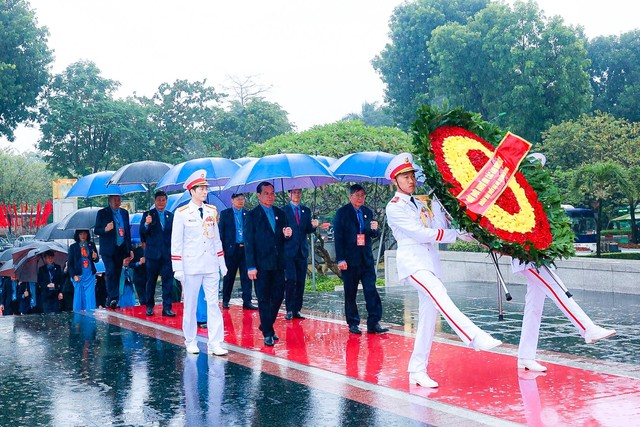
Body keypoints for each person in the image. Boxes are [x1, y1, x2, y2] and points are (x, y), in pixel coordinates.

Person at [384, 153, 502, 388]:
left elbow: (436, 228)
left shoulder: (419, 202)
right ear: (394, 181)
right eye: (405, 176)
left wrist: (439, 203)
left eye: (412, 175)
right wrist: (456, 234)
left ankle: (417, 370)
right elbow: (420, 234)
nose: (410, 180)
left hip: (429, 263)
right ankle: (473, 336)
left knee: (428, 318)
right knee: (440, 294)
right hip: (413, 263)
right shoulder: (394, 207)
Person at [511, 154, 616, 372]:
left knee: (534, 309)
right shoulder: (519, 195)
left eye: (541, 168)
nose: (539, 172)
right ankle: (587, 328)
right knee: (559, 291)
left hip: (540, 257)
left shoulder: (539, 195)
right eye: (535, 169)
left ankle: (525, 357)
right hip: (529, 258)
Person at [171, 169, 228, 356]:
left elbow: (216, 239)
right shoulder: (181, 213)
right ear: (191, 191)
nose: (205, 191)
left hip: (210, 264)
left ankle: (215, 342)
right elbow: (176, 243)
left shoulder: (212, 211)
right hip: (191, 266)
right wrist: (177, 268)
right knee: (191, 305)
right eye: (201, 188)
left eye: (205, 188)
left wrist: (222, 263)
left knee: (213, 304)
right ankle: (190, 340)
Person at [333, 184, 388, 335]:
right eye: (357, 195)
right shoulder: (342, 213)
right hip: (349, 261)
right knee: (350, 292)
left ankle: (374, 322)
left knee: (371, 290)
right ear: (350, 197)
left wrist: (375, 229)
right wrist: (340, 259)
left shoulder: (367, 212)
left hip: (366, 259)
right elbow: (338, 238)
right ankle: (353, 322)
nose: (360, 198)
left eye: (363, 195)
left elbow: (372, 234)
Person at [244, 181, 292, 346]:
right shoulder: (251, 215)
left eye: (272, 193)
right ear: (258, 195)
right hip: (260, 263)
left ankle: (265, 324)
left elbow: (284, 238)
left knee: (279, 296)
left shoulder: (281, 213)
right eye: (266, 193)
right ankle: (268, 333)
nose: (270, 196)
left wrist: (287, 234)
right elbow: (249, 242)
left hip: (278, 263)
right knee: (263, 298)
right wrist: (251, 266)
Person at [282, 188, 318, 320]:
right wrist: (284, 234)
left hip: (302, 251)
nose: (296, 195)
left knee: (301, 281)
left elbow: (307, 229)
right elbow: (279, 230)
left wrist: (313, 226)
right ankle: (290, 309)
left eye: (299, 192)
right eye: (294, 192)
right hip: (289, 251)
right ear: (289, 194)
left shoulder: (306, 210)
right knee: (291, 280)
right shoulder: (283, 211)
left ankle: (297, 309)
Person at [218, 192, 257, 310]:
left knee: (247, 276)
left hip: (245, 249)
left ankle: (247, 301)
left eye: (242, 199)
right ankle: (225, 300)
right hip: (231, 249)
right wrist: (222, 249)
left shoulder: (247, 214)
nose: (240, 201)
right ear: (232, 200)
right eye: (238, 199)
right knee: (229, 276)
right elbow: (221, 232)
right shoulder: (225, 214)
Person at [94, 194, 133, 308]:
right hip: (108, 249)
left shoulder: (124, 213)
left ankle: (112, 300)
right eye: (115, 200)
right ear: (109, 200)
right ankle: (113, 297)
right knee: (110, 271)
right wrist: (105, 229)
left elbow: (127, 233)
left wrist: (129, 249)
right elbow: (97, 230)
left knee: (116, 273)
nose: (117, 202)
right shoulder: (102, 213)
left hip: (120, 248)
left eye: (119, 199)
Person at [140, 190, 175, 317]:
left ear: (166, 201)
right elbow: (142, 233)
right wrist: (146, 224)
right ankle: (149, 306)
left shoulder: (170, 216)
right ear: (154, 201)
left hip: (167, 255)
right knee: (151, 281)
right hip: (152, 255)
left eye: (163, 200)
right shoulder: (148, 215)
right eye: (158, 200)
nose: (161, 202)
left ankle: (167, 308)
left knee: (168, 282)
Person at [68, 229, 100, 311]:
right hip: (79, 277)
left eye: (85, 234)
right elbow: (70, 264)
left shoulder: (91, 245)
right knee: (78, 299)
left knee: (90, 299)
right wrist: (74, 275)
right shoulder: (73, 247)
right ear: (77, 235)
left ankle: (90, 320)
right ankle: (78, 320)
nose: (83, 236)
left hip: (89, 276)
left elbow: (96, 260)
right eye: (81, 234)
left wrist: (95, 257)